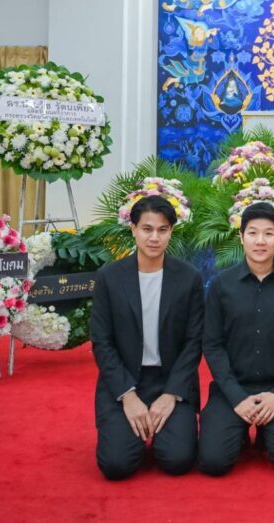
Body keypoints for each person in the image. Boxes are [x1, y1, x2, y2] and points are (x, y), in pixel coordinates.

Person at [90, 195, 204, 480]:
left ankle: (164, 429)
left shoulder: (188, 278)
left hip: (170, 380)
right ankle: (128, 433)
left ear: (171, 231)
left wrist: (171, 393)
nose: (154, 237)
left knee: (177, 460)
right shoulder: (109, 277)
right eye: (147, 229)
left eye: (162, 230)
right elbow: (102, 341)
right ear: (133, 229)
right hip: (125, 379)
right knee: (116, 466)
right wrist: (127, 396)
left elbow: (193, 342)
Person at [199, 202, 274, 475]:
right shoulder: (221, 286)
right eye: (252, 233)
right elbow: (212, 345)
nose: (260, 241)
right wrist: (237, 397)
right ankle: (238, 432)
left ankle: (266, 431)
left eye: (268, 234)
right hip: (231, 390)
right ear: (241, 237)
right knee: (213, 463)